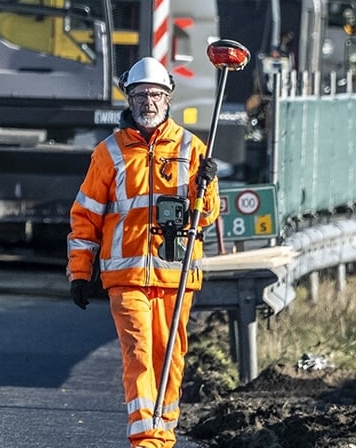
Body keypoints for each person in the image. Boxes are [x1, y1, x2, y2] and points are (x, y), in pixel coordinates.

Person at [68, 57, 219, 448]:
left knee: (170, 357)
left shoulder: (192, 149)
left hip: (175, 275)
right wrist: (80, 272)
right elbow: (86, 216)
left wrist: (205, 187)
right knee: (139, 353)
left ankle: (163, 433)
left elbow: (206, 216)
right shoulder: (109, 153)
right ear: (129, 99)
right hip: (127, 277)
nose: (148, 102)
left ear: (168, 98)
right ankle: (146, 437)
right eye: (140, 95)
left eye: (155, 94)